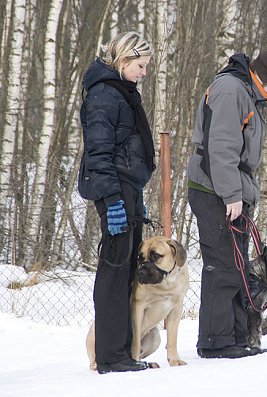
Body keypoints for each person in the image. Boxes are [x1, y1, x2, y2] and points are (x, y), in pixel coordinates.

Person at [187, 48, 267, 358]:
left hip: (229, 188)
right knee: (222, 266)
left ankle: (236, 338)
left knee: (236, 267)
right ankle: (215, 342)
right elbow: (221, 146)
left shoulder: (245, 93)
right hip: (215, 191)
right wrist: (231, 194)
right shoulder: (231, 89)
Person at [77, 31, 155, 373]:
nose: (144, 72)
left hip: (129, 187)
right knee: (114, 268)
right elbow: (99, 154)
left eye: (147, 66)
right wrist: (113, 201)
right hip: (114, 189)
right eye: (140, 65)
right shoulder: (104, 96)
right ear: (123, 60)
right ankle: (110, 355)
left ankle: (124, 350)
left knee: (127, 271)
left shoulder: (122, 92)